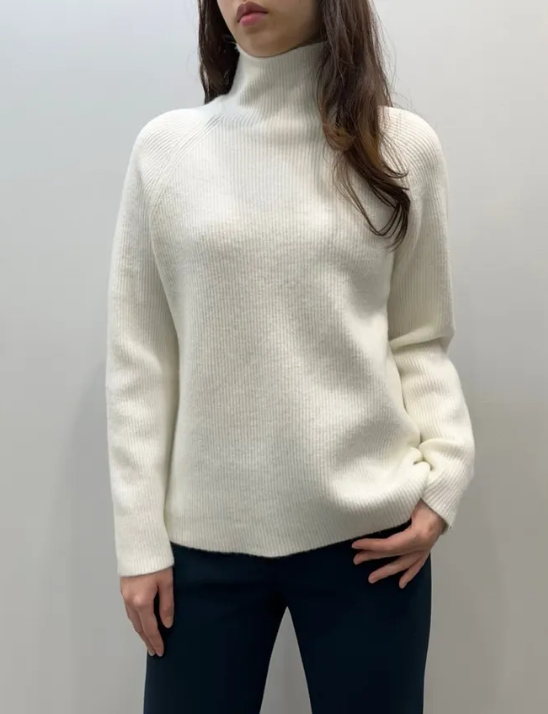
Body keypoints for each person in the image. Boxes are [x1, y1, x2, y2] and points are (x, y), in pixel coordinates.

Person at [105, 0, 475, 712]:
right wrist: (138, 542)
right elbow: (141, 363)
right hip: (203, 546)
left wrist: (445, 480)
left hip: (371, 540)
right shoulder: (167, 152)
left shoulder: (401, 148)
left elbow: (419, 335)